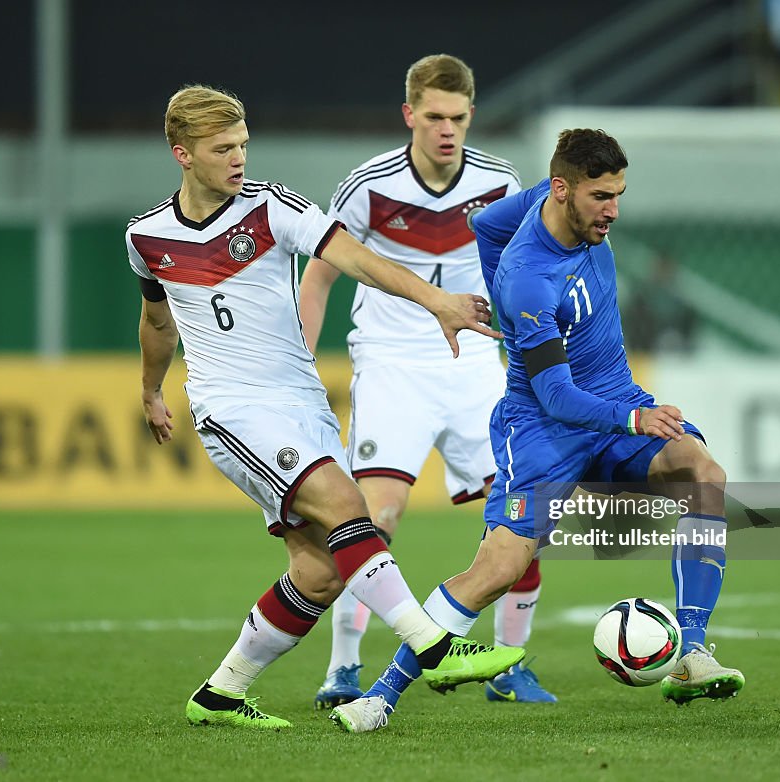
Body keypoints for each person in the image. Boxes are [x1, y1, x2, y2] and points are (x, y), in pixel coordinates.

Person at [125, 84, 526, 731]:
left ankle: (220, 694)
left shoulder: (273, 208)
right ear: (182, 153)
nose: (238, 159)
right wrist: (150, 388)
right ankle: (436, 646)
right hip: (232, 409)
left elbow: (359, 261)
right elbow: (157, 323)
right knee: (348, 507)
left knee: (318, 573)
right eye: (222, 148)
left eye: (243, 145)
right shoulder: (147, 237)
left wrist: (438, 301)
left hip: (301, 402)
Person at [331, 128, 744, 733]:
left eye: (619, 194)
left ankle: (692, 654)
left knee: (703, 472)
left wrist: (628, 411)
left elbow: (484, 226)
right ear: (563, 190)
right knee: (496, 570)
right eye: (601, 196)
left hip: (614, 404)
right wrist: (635, 418)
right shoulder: (530, 280)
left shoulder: (538, 209)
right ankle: (380, 695)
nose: (614, 211)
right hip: (544, 430)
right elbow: (555, 394)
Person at [299, 54, 556, 709]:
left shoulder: (501, 183)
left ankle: (510, 667)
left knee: (523, 519)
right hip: (393, 364)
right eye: (435, 116)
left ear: (472, 115)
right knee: (372, 519)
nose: (448, 129)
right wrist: (302, 365)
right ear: (409, 114)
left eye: (459, 117)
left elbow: (528, 272)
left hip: (476, 366)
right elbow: (320, 277)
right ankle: (344, 668)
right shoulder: (367, 186)